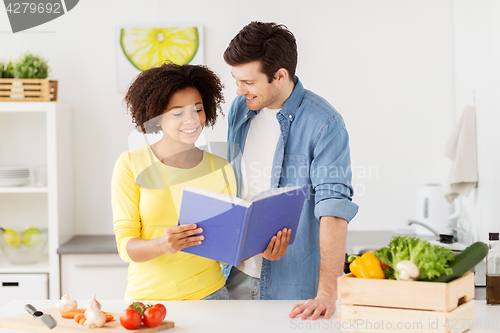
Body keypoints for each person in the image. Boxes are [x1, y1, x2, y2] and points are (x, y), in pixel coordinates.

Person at [112, 63, 289, 301]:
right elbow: (126, 246)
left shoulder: (221, 167)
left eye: (197, 109)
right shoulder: (131, 163)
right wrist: (162, 245)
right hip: (148, 300)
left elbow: (228, 248)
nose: (192, 120)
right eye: (177, 113)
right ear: (156, 116)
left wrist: (260, 248)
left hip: (212, 296)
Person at [223, 22, 359, 319]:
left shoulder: (325, 123)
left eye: (247, 81)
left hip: (290, 283)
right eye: (236, 80)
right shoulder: (240, 109)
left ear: (280, 75)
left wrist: (326, 293)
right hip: (232, 274)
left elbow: (333, 208)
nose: (238, 90)